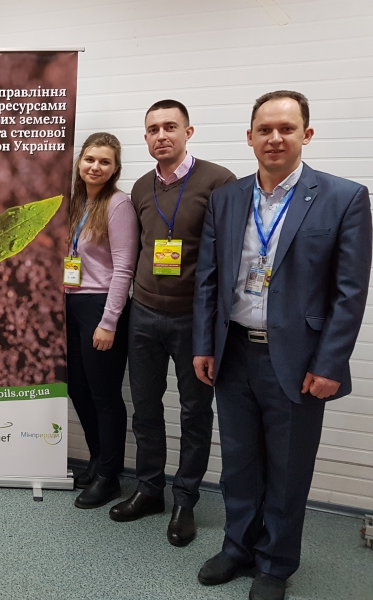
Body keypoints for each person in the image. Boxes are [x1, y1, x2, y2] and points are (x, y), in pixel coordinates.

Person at [193, 91, 371, 600]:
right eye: (264, 129)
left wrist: (330, 362)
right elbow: (209, 278)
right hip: (233, 352)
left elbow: (349, 292)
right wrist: (203, 344)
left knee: (289, 469)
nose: (275, 138)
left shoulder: (344, 197)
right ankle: (238, 547)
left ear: (306, 135)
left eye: (286, 129)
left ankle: (275, 563)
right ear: (249, 137)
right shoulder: (227, 198)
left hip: (298, 361)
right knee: (239, 463)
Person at [109, 100, 236, 547]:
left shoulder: (219, 181)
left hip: (194, 320)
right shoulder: (140, 187)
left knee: (194, 412)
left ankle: (185, 500)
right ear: (145, 137)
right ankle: (149, 490)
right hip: (144, 313)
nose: (161, 135)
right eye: (152, 129)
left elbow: (228, 256)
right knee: (145, 409)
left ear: (188, 132)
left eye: (169, 127)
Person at [64, 133, 138, 509]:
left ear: (115, 168)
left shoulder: (118, 204)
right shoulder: (76, 202)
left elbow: (124, 268)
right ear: (80, 162)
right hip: (70, 304)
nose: (95, 167)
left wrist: (109, 321)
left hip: (100, 308)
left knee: (105, 395)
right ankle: (97, 460)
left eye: (104, 161)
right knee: (78, 389)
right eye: (90, 159)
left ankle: (110, 476)